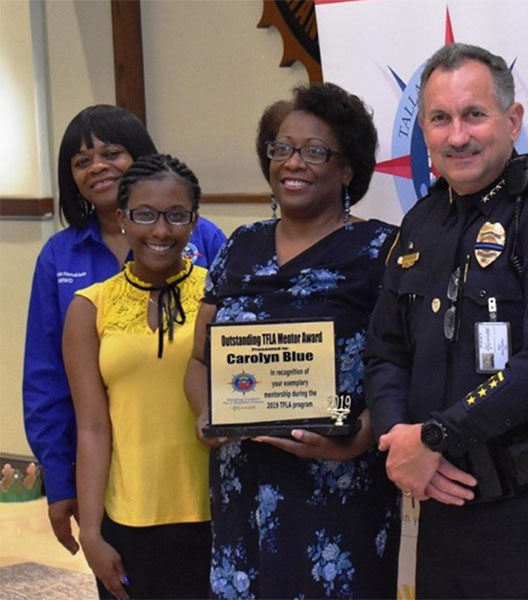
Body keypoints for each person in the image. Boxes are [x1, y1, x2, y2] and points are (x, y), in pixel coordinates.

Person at [364, 43, 528, 598]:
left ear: (512, 119)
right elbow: (385, 352)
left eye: (474, 115)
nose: (457, 136)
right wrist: (399, 440)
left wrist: (437, 434)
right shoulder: (419, 222)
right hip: (438, 506)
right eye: (440, 119)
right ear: (422, 130)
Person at [184, 83, 401, 599]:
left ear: (347, 169)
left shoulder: (380, 250)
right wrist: (204, 415)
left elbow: (401, 365)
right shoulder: (239, 246)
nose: (292, 163)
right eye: (281, 148)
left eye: (314, 151)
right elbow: (198, 360)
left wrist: (361, 438)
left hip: (338, 485)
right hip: (243, 484)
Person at [23, 105, 225, 556]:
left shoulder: (206, 240)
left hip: (205, 476)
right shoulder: (60, 258)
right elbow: (46, 378)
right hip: (115, 481)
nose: (97, 166)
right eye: (81, 161)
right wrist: (59, 479)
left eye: (110, 152)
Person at [63, 154, 213, 599]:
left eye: (176, 216)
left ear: (194, 222)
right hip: (126, 519)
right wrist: (91, 533)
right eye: (145, 215)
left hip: (215, 513)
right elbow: (91, 427)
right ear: (123, 219)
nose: (161, 231)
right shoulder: (89, 307)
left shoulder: (219, 295)